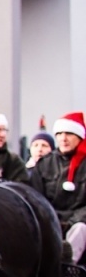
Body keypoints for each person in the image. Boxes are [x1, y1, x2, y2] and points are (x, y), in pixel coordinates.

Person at [29, 112, 86, 262]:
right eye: (59, 134)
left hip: (79, 223)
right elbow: (35, 197)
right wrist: (52, 219)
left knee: (80, 229)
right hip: (50, 220)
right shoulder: (44, 164)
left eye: (69, 133)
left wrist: (71, 222)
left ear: (79, 136)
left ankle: (66, 265)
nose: (63, 138)